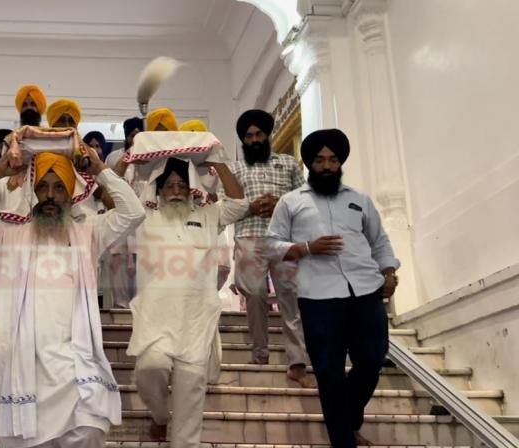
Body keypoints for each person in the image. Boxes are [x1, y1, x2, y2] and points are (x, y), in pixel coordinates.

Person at [0, 145, 145, 447]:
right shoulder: (5, 231)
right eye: (42, 186)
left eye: (59, 187)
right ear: (32, 190)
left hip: (73, 362)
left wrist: (101, 169)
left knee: (90, 428)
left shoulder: (89, 231)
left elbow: (135, 212)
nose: (50, 196)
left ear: (70, 193)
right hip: (22, 363)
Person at [267, 128, 400, 448]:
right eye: (319, 160)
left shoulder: (359, 200)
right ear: (309, 164)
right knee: (329, 372)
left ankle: (349, 417)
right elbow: (271, 246)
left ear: (340, 163)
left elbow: (379, 241)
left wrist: (390, 271)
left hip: (365, 289)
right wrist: (307, 247)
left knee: (371, 359)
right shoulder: (291, 202)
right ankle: (343, 440)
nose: (327, 165)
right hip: (318, 296)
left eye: (333, 159)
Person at [128, 156, 246, 446]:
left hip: (195, 322)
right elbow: (114, 195)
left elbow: (239, 203)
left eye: (182, 184)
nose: (176, 190)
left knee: (191, 398)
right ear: (158, 190)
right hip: (155, 319)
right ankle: (159, 415)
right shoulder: (145, 216)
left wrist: (219, 163)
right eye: (169, 186)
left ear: (191, 187)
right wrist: (126, 161)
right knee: (148, 369)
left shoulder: (207, 214)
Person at [228, 109, 313, 387]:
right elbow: (225, 206)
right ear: (243, 140)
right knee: (253, 292)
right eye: (249, 136)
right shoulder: (236, 169)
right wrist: (251, 206)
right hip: (248, 236)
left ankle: (298, 362)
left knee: (290, 294)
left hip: (283, 239)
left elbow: (305, 201)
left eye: (259, 134)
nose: (254, 139)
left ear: (267, 136)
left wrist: (280, 205)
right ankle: (260, 354)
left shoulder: (288, 164)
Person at [103, 117, 144, 308]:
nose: (135, 137)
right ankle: (120, 306)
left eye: (138, 134)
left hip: (142, 220)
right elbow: (108, 184)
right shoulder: (114, 157)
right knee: (118, 262)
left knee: (139, 263)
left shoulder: (149, 156)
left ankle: (137, 306)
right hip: (120, 216)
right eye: (131, 134)